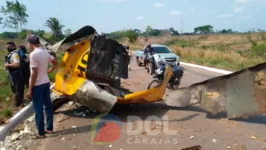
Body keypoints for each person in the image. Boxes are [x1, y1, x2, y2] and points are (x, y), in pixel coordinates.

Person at [26, 35, 58, 138]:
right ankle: (49, 128)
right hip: (45, 82)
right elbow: (55, 63)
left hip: (37, 85)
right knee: (48, 106)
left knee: (38, 108)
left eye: (28, 43)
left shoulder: (33, 55)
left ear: (30, 44)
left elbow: (34, 74)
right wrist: (47, 72)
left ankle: (40, 132)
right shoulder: (45, 52)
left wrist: (30, 89)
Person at [5, 42, 25, 109]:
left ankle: (20, 105)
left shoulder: (15, 54)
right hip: (13, 75)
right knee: (15, 90)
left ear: (13, 46)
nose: (7, 48)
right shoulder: (11, 54)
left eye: (9, 46)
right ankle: (19, 104)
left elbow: (17, 64)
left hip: (17, 75)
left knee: (18, 90)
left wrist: (8, 65)